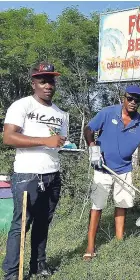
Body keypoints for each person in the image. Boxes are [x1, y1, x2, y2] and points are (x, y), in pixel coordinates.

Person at [83, 85, 140, 260]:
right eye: (130, 98)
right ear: (123, 97)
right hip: (102, 168)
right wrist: (92, 147)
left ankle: (119, 241)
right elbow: (88, 129)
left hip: (124, 169)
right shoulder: (108, 113)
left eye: (137, 100)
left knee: (122, 204)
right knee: (97, 206)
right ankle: (90, 247)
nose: (133, 102)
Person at [2, 62, 68, 279]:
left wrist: (61, 144)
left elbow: (57, 142)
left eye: (51, 80)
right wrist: (45, 141)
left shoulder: (61, 114)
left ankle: (38, 267)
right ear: (34, 84)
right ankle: (12, 273)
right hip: (27, 174)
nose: (48, 85)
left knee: (43, 223)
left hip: (52, 174)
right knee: (21, 225)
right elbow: (9, 137)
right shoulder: (22, 106)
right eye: (43, 81)